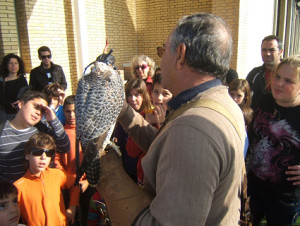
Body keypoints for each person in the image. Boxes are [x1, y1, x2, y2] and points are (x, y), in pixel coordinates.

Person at [98, 12, 245, 225]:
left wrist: (102, 163)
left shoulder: (192, 129)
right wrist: (124, 112)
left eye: (163, 49)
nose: (161, 58)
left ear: (180, 55)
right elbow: (168, 148)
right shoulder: (221, 101)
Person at [247, 55, 300, 225]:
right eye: (277, 76)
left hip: (284, 197)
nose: (279, 83)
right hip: (255, 187)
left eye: (288, 81)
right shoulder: (265, 100)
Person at [0, 90, 70, 182]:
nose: (38, 112)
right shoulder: (2, 131)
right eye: (36, 107)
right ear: (21, 104)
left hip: (40, 190)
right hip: (10, 193)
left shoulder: (42, 130)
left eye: (42, 111)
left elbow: (64, 148)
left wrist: (53, 120)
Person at [14, 132, 79, 226]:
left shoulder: (57, 175)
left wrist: (72, 208)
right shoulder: (19, 187)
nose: (43, 157)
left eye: (49, 153)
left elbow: (75, 184)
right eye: (37, 152)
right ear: (27, 155)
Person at [125, 79, 152, 183]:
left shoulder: (150, 115)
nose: (133, 99)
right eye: (130, 95)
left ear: (144, 96)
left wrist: (146, 125)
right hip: (128, 172)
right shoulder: (123, 117)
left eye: (137, 95)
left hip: (144, 176)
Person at [246, 35, 283, 110]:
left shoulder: (290, 75)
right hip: (257, 119)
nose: (267, 53)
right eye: (264, 50)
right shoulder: (254, 74)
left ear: (281, 52)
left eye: (272, 50)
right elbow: (243, 95)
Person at [0, 54, 29, 120]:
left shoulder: (22, 79)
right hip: (6, 114)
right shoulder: (2, 80)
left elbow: (26, 93)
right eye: (11, 63)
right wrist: (10, 104)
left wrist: (20, 101)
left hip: (20, 112)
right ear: (6, 65)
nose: (13, 65)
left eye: (16, 63)